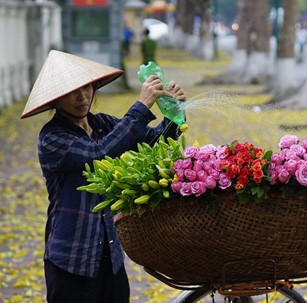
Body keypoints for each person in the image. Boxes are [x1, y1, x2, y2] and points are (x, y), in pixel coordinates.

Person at [20, 50, 187, 303]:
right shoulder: (52, 137)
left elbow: (152, 144)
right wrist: (141, 107)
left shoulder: (103, 125)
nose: (82, 96)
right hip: (71, 260)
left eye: (86, 87)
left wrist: (175, 114)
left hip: (110, 257)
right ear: (55, 100)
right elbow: (99, 153)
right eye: (71, 92)